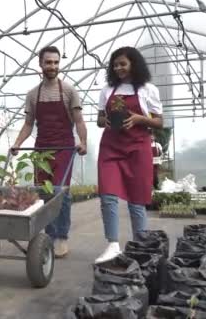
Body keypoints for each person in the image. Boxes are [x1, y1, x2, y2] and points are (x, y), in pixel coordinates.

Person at [10, 46, 87, 258]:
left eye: (55, 62)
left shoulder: (70, 91)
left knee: (60, 191)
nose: (52, 66)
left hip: (64, 147)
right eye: (48, 62)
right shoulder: (33, 95)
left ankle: (60, 237)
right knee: (42, 193)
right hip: (41, 149)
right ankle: (45, 237)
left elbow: (79, 120)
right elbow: (28, 124)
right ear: (40, 64)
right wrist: (17, 143)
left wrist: (83, 142)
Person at [95, 46, 163, 263]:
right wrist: (103, 121)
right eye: (115, 65)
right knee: (108, 195)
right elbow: (99, 119)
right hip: (111, 147)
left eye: (122, 64)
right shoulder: (106, 90)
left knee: (137, 199)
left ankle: (139, 247)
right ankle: (113, 245)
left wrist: (139, 119)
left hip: (137, 147)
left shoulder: (147, 89)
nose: (118, 68)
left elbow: (159, 122)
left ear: (133, 64)